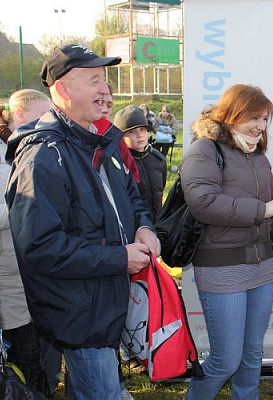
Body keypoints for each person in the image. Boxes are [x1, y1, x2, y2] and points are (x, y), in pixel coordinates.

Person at [5, 44, 159, 400]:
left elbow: (132, 197)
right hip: (80, 317)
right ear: (62, 90)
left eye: (104, 80)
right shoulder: (44, 156)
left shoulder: (99, 142)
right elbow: (40, 247)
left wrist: (145, 227)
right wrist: (120, 258)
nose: (106, 91)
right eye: (93, 81)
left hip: (105, 306)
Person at [181, 83, 273, 399]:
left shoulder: (258, 156)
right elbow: (203, 203)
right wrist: (261, 210)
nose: (260, 126)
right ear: (232, 113)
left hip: (261, 269)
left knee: (252, 355)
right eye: (254, 117)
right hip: (221, 269)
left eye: (265, 119)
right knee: (226, 360)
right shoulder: (204, 149)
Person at [0, 89, 50, 393]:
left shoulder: (23, 148)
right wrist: (27, 201)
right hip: (10, 274)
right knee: (27, 356)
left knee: (40, 353)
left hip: (31, 268)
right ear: (20, 115)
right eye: (41, 116)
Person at [115, 105, 167, 222]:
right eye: (132, 131)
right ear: (121, 137)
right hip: (132, 225)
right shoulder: (118, 164)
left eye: (143, 129)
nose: (139, 135)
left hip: (157, 223)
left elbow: (161, 188)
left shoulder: (158, 160)